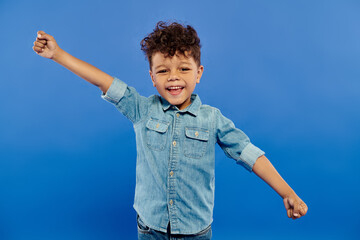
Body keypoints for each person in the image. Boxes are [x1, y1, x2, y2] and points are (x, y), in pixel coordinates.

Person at [33, 21, 308, 240]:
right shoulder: (141, 109)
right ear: (152, 78)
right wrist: (58, 54)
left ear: (198, 73)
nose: (174, 77)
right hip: (150, 229)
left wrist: (287, 192)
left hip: (195, 231)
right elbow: (105, 82)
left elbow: (249, 154)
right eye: (163, 71)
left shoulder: (212, 119)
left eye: (184, 69)